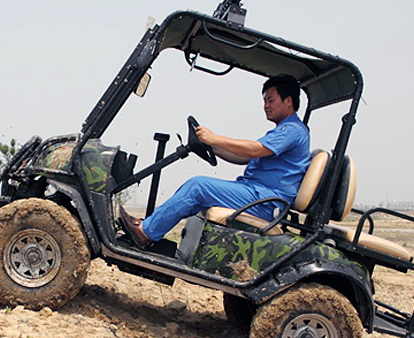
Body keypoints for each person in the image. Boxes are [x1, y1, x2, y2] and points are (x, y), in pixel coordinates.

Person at [120, 74, 310, 249]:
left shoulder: (293, 130)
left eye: (271, 100)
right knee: (194, 196)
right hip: (256, 194)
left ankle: (145, 233)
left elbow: (255, 149)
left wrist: (215, 139)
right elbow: (245, 157)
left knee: (198, 186)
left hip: (265, 202)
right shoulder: (282, 131)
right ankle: (150, 226)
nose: (266, 106)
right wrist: (211, 147)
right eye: (264, 101)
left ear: (288, 101)